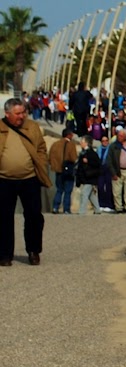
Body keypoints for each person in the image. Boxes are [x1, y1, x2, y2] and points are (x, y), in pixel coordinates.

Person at [0, 99, 49, 266]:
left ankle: (34, 251)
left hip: (29, 179)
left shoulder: (32, 127)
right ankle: (4, 254)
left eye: (23, 113)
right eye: (18, 113)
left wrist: (41, 164)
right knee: (4, 218)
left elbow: (41, 148)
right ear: (7, 114)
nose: (22, 116)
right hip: (4, 180)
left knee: (34, 216)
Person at [47, 127, 77, 215]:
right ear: (69, 135)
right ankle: (66, 209)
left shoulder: (55, 144)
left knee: (59, 189)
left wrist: (55, 166)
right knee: (68, 191)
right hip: (68, 171)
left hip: (58, 171)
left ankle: (55, 207)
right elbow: (73, 158)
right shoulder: (71, 145)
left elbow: (50, 157)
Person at [108, 128, 126, 213]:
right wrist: (113, 173)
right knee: (117, 191)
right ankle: (118, 207)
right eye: (119, 135)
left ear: (125, 137)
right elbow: (109, 160)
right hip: (117, 171)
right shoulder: (113, 146)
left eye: (121, 136)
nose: (119, 137)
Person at [72, 137, 100, 216]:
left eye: (82, 142)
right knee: (91, 196)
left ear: (86, 143)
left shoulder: (91, 153)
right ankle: (97, 209)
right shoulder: (83, 153)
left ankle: (82, 211)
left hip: (90, 177)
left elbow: (97, 164)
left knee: (84, 194)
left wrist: (88, 161)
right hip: (86, 177)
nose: (80, 143)